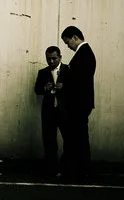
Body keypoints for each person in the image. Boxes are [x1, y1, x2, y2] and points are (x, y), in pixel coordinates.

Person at [61, 26, 96, 180]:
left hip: (78, 105)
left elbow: (77, 81)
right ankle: (80, 169)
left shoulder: (83, 54)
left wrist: (65, 81)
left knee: (77, 138)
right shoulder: (85, 53)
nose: (67, 46)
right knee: (78, 138)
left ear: (75, 38)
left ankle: (80, 170)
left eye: (68, 42)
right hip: (81, 104)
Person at [34, 46, 70, 177]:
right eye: (48, 59)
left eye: (54, 58)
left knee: (70, 140)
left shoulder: (68, 70)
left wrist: (65, 87)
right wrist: (44, 87)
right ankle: (51, 168)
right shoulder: (42, 72)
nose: (51, 62)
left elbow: (77, 89)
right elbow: (37, 90)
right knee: (49, 141)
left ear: (60, 57)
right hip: (49, 112)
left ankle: (65, 166)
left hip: (65, 111)